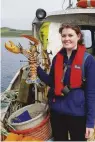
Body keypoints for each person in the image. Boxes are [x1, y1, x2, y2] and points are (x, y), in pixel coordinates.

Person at [30, 24, 95, 141]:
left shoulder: (88, 60)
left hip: (78, 114)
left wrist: (90, 123)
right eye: (64, 35)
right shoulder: (57, 58)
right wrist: (37, 68)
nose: (66, 38)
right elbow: (51, 81)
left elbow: (91, 93)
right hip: (57, 113)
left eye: (70, 35)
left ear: (78, 36)